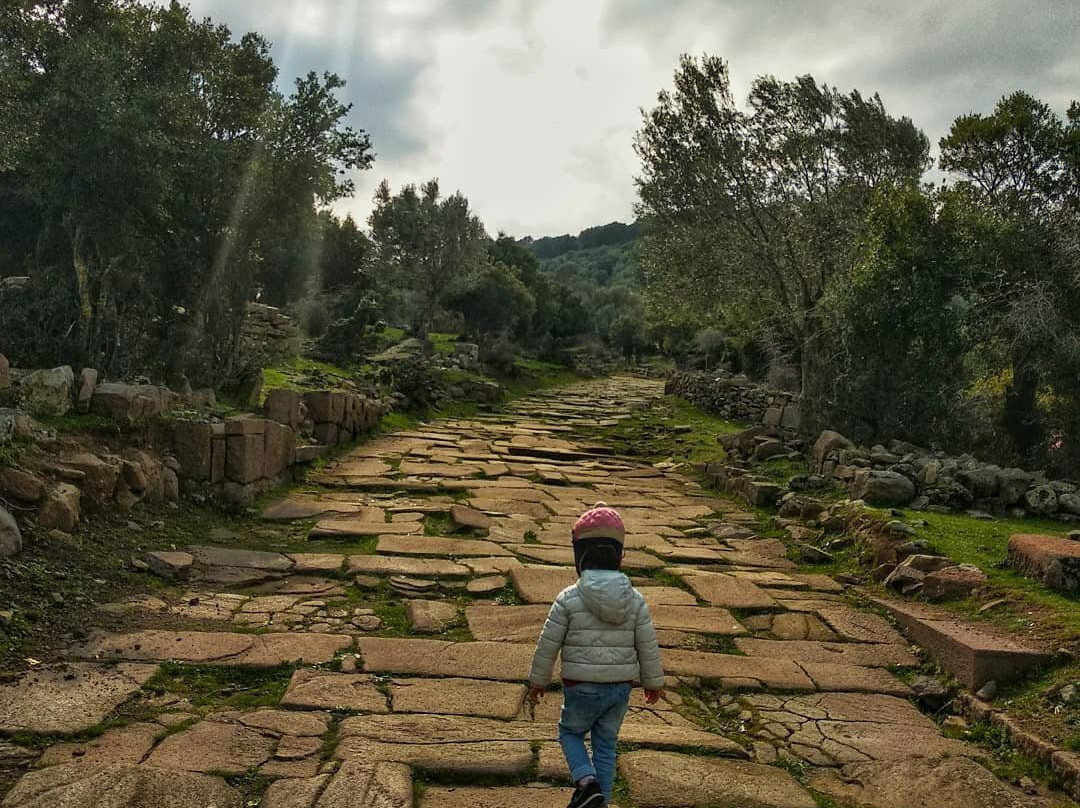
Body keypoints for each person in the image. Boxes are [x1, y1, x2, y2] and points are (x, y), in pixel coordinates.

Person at [527, 502, 665, 808]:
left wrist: (538, 681)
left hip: (581, 686)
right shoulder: (635, 600)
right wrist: (653, 682)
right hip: (619, 687)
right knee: (606, 744)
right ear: (620, 556)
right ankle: (600, 803)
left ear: (579, 557)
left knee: (569, 733)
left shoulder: (568, 598)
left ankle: (587, 783)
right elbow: (647, 643)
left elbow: (548, 643)